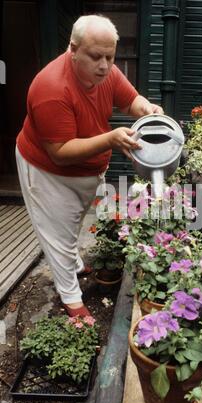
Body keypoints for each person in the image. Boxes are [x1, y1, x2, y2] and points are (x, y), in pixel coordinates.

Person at [15, 14, 163, 317]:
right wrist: (110, 139)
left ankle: (75, 263)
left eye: (110, 56)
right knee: (56, 232)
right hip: (47, 172)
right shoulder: (50, 89)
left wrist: (145, 108)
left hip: (85, 170)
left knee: (72, 223)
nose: (105, 65)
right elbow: (60, 152)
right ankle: (72, 301)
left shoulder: (105, 71)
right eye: (96, 56)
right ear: (73, 49)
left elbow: (129, 99)